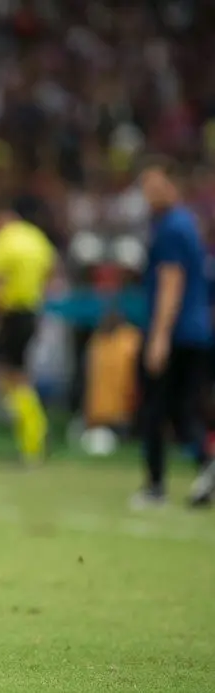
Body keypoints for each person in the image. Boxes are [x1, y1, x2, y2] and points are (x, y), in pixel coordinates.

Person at [133, 159, 214, 508]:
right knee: (183, 409)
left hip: (176, 333)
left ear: (173, 185)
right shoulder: (187, 224)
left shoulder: (170, 228)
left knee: (155, 409)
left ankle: (155, 486)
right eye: (145, 187)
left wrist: (159, 336)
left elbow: (171, 281)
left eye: (155, 185)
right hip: (196, 331)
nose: (149, 194)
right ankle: (206, 464)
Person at [0, 202, 56, 464]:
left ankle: (33, 437)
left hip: (11, 316)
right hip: (32, 312)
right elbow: (50, 271)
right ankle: (33, 436)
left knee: (9, 376)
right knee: (13, 374)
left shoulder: (1, 243)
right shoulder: (36, 238)